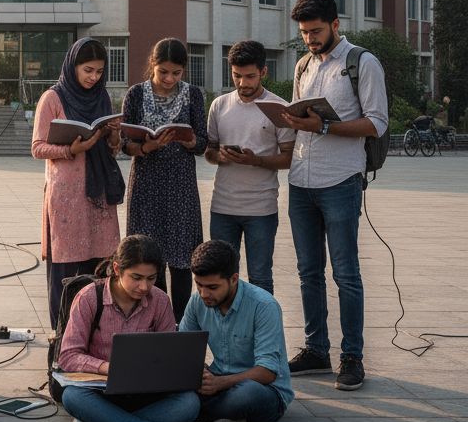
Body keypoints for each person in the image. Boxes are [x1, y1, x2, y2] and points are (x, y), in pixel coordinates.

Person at [284, 0, 387, 391]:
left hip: (341, 180)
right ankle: (316, 349)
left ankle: (352, 357)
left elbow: (376, 123)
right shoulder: (303, 66)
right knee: (308, 273)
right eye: (304, 33)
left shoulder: (362, 62)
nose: (309, 39)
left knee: (346, 274)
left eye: (315, 31)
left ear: (336, 24)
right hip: (300, 181)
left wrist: (324, 126)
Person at [60, 235, 208, 422]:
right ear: (117, 269)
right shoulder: (89, 298)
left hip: (147, 395)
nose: (144, 286)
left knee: (189, 403)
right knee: (72, 397)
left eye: (151, 278)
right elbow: (68, 356)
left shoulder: (160, 300)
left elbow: (170, 353)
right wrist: (108, 368)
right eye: (136, 277)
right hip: (102, 393)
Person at [31, 37, 125, 330]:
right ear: (73, 66)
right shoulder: (53, 98)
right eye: (87, 70)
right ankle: (63, 337)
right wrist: (71, 150)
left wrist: (113, 135)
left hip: (98, 195)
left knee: (100, 268)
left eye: (99, 71)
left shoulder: (102, 97)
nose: (93, 77)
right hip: (66, 197)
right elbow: (37, 147)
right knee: (66, 270)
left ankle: (96, 333)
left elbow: (112, 148)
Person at [121, 38, 208, 321]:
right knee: (147, 256)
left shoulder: (193, 94)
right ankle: (150, 324)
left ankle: (181, 327)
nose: (170, 78)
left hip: (181, 186)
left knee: (182, 261)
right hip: (146, 184)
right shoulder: (135, 94)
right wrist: (147, 147)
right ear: (153, 66)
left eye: (177, 73)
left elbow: (202, 143)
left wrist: (191, 141)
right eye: (163, 72)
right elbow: (125, 143)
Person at [179, 240, 293, 422]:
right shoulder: (198, 301)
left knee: (246, 394)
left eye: (212, 287)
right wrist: (199, 375)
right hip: (218, 386)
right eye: (199, 285)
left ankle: (182, 421)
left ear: (233, 279)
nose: (204, 294)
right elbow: (183, 351)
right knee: (177, 389)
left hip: (265, 393)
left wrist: (219, 383)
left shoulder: (264, 306)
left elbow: (267, 372)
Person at [205, 40, 295, 295]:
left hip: (261, 209)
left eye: (250, 76)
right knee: (220, 277)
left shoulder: (279, 108)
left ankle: (262, 333)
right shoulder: (219, 105)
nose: (243, 83)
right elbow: (209, 151)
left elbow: (289, 158)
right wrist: (219, 156)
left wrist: (257, 161)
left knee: (260, 278)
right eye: (236, 75)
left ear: (264, 72)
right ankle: (226, 333)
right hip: (222, 206)